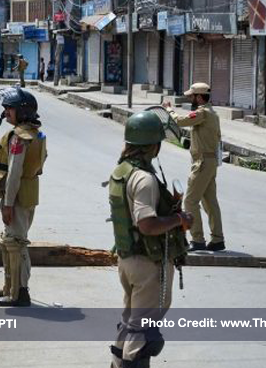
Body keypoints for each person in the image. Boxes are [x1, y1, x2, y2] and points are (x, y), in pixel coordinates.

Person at [108, 111, 193, 368]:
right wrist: (180, 220)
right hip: (147, 264)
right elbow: (146, 224)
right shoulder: (144, 179)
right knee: (144, 334)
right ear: (152, 145)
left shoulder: (122, 170)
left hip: (128, 259)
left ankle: (117, 363)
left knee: (131, 322)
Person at [0, 87, 47, 307]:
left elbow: (14, 173)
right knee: (9, 241)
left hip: (18, 195)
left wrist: (7, 204)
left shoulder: (20, 138)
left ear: (23, 111)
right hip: (28, 193)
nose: (6, 111)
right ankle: (10, 287)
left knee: (15, 244)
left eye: (10, 108)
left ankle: (19, 294)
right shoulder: (35, 132)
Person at [162, 82, 224, 252]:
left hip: (203, 162)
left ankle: (198, 240)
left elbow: (180, 121)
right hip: (210, 162)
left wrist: (168, 109)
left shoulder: (202, 112)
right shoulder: (212, 113)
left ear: (199, 96)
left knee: (190, 201)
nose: (190, 99)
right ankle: (218, 240)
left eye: (192, 96)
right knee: (210, 202)